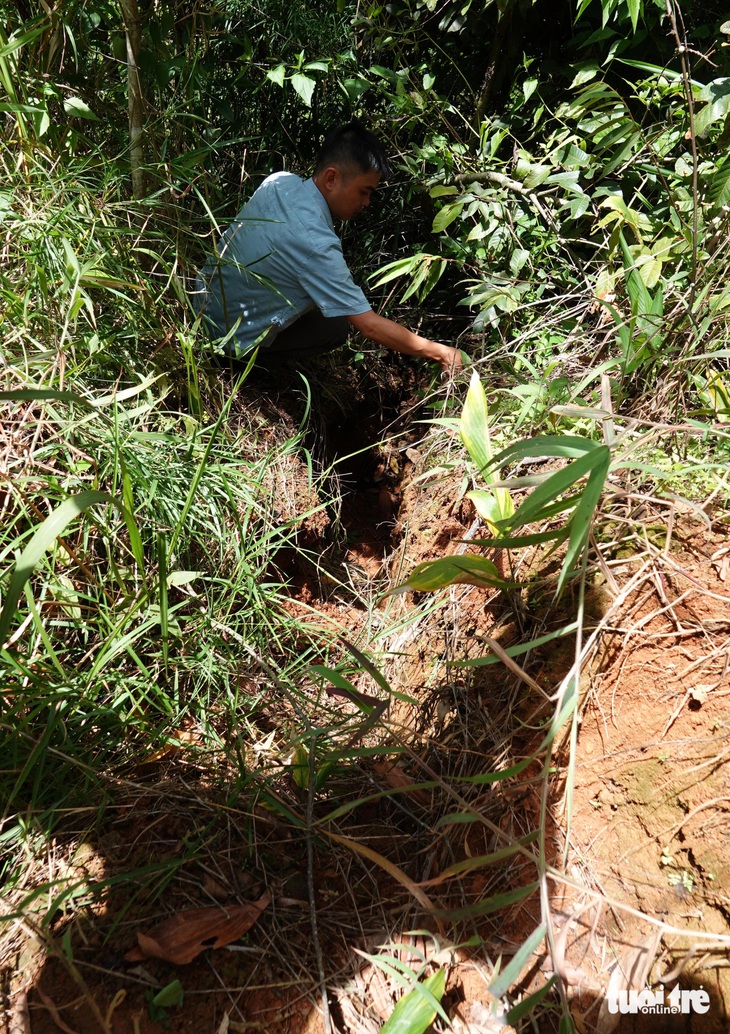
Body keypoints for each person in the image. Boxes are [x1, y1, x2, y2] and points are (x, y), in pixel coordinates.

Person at [193, 122, 462, 374]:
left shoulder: (280, 182)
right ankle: (244, 368)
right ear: (331, 178)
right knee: (334, 328)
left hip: (199, 304)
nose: (366, 202)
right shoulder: (314, 244)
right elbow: (368, 326)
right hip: (222, 341)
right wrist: (441, 353)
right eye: (364, 191)